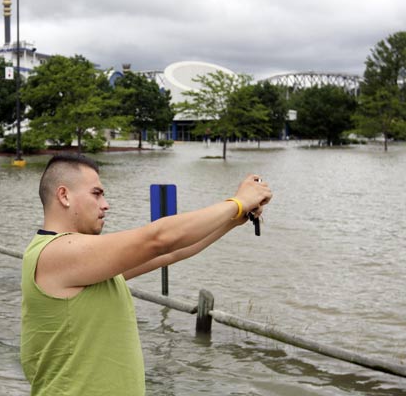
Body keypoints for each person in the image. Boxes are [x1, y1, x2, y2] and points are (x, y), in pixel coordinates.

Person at [21, 153, 272, 396]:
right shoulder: (54, 254)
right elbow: (159, 239)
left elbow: (173, 251)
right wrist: (237, 202)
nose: (105, 204)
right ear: (64, 195)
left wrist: (237, 217)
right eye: (96, 194)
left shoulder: (86, 265)